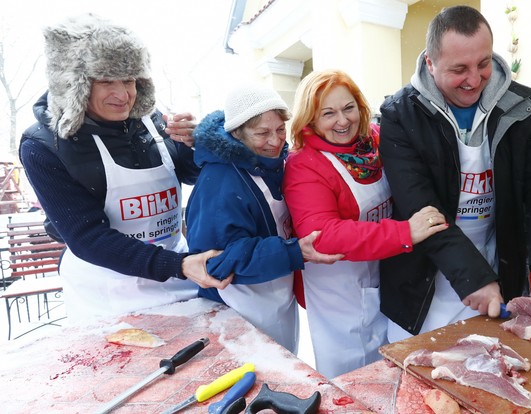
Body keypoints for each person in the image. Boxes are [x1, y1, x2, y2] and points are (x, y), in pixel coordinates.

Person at [378, 5, 531, 342]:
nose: (474, 80)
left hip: (498, 263)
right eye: (459, 69)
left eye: (483, 64)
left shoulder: (521, 105)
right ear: (430, 62)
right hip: (425, 275)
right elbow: (421, 208)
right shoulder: (401, 115)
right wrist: (472, 277)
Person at [19, 13, 230, 321]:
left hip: (178, 271)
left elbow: (189, 173)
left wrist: (197, 144)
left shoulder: (153, 119)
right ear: (75, 85)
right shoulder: (43, 146)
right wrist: (178, 264)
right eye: (106, 81)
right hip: (107, 290)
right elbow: (87, 237)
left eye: (129, 80)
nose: (123, 95)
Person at [283, 69, 447, 377]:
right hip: (339, 290)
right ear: (310, 120)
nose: (343, 121)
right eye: (328, 113)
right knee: (353, 380)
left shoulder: (373, 141)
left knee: (391, 369)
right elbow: (323, 236)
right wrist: (404, 231)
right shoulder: (304, 164)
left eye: (348, 108)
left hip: (383, 274)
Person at [185, 84, 343, 353]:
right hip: (239, 308)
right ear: (237, 133)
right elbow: (218, 261)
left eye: (280, 129)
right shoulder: (220, 182)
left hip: (277, 297)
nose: (275, 140)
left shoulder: (273, 165)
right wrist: (294, 251)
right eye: (262, 133)